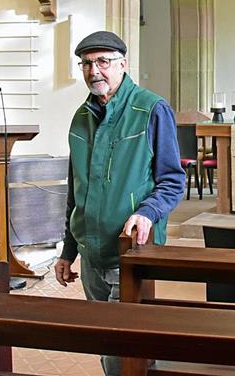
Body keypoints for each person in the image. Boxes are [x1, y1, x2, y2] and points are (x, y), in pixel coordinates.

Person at [54, 30, 185, 375]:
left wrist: (147, 212)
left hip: (131, 250)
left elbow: (173, 181)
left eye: (102, 62)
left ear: (123, 64)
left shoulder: (151, 108)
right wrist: (69, 251)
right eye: (86, 63)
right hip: (92, 256)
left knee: (128, 347)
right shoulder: (81, 117)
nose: (94, 70)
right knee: (106, 343)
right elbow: (76, 191)